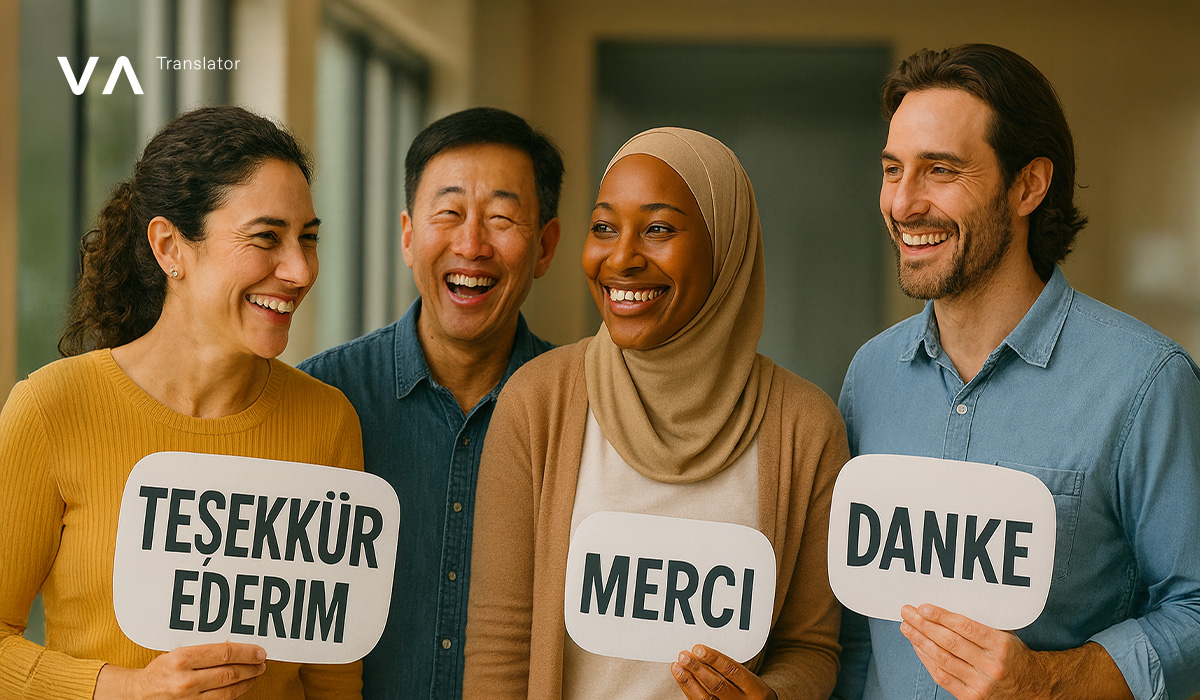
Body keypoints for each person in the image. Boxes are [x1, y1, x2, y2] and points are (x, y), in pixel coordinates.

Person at [832, 44, 1200, 700]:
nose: (904, 203)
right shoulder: (870, 377)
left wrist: (1052, 679)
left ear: (1028, 185)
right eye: (893, 169)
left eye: (940, 170)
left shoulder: (1146, 382)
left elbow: (1195, 607)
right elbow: (862, 632)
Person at [463, 127, 847, 700]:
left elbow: (810, 647)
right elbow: (500, 648)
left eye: (660, 229)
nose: (621, 258)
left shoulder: (804, 428)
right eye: (604, 228)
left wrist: (771, 696)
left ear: (726, 244)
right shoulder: (539, 402)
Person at [0, 106, 364, 700]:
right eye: (266, 238)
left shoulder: (326, 422)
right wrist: (127, 689)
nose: (299, 270)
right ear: (170, 246)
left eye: (309, 239)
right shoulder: (51, 408)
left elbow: (333, 679)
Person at [298, 106, 562, 700]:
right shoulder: (318, 400)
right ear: (409, 237)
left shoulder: (583, 413)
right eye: (447, 214)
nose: (472, 244)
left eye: (501, 218)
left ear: (545, 246)